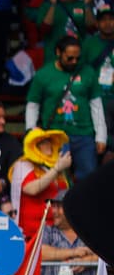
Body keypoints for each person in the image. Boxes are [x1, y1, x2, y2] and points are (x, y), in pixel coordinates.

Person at [25, 36, 106, 181]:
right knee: (56, 179)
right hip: (54, 135)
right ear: (58, 52)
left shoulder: (88, 72)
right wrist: (31, 130)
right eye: (70, 58)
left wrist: (101, 136)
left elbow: (96, 105)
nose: (74, 61)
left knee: (89, 179)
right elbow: (33, 105)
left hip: (84, 135)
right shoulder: (43, 74)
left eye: (77, 58)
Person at [9, 128, 70, 241]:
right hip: (32, 234)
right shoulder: (22, 165)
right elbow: (32, 189)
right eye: (43, 142)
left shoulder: (54, 166)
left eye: (49, 141)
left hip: (57, 231)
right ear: (33, 146)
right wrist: (57, 169)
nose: (49, 145)